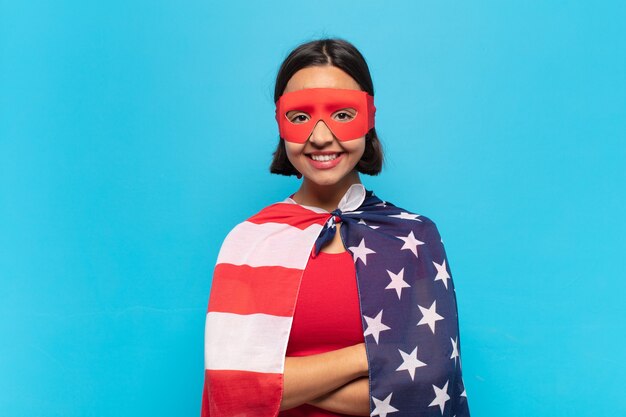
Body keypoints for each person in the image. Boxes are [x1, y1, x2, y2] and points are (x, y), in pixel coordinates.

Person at [201, 38, 470, 417]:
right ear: (280, 122)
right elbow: (230, 385)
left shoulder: (415, 236)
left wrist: (270, 385)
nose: (322, 136)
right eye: (300, 117)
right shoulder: (251, 240)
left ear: (370, 117)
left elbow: (426, 383)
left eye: (343, 114)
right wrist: (376, 353)